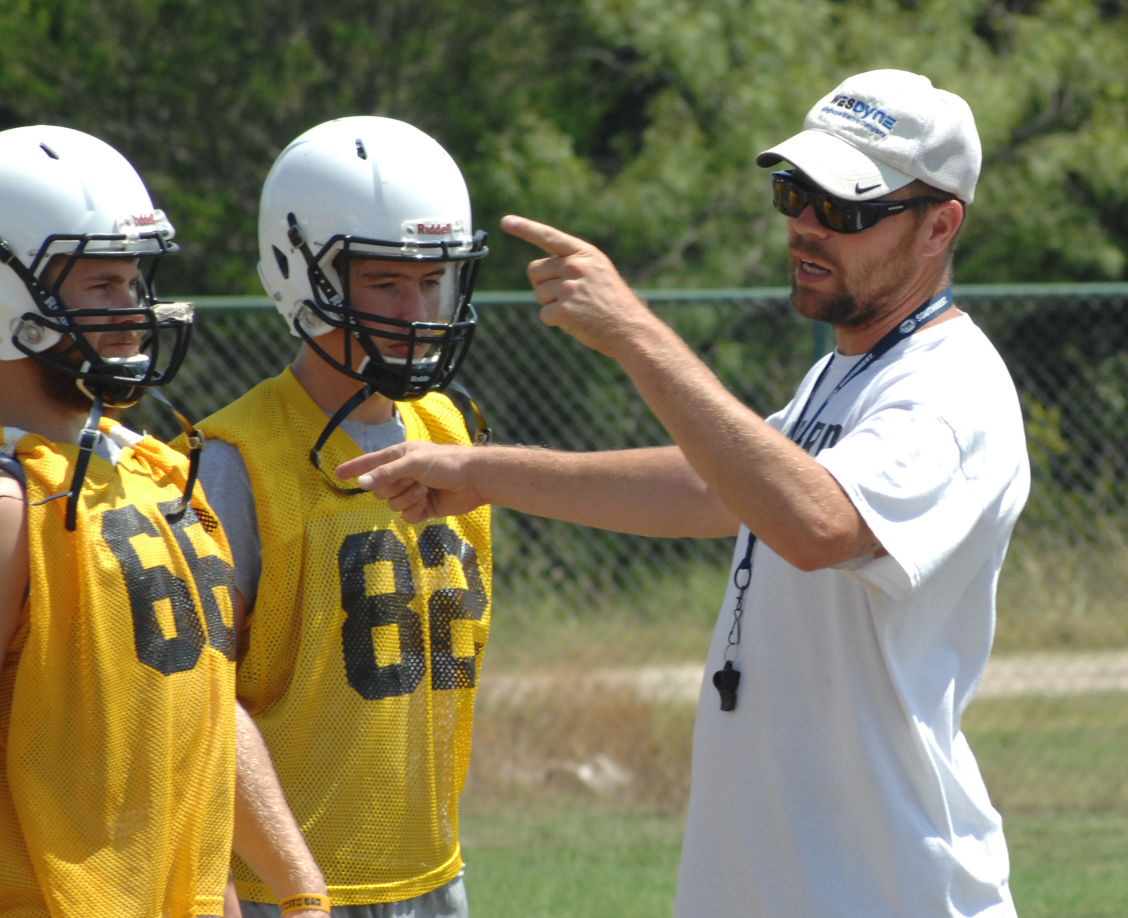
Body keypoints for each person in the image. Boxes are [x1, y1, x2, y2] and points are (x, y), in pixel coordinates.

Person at [338, 70, 1029, 917]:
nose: (807, 227)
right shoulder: (849, 369)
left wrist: (634, 333)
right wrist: (482, 474)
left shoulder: (950, 388)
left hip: (887, 890)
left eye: (845, 209)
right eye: (795, 193)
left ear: (940, 226)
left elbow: (815, 523)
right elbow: (718, 486)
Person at [0, 124, 327, 918]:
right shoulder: (13, 500)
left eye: (132, 281)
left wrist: (295, 885)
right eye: (99, 285)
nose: (133, 310)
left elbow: (202, 703)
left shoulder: (152, 468)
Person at [191, 115, 492, 918]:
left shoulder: (452, 431)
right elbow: (196, 703)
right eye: (387, 282)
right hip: (282, 887)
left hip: (432, 871)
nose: (419, 308)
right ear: (304, 276)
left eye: (432, 281)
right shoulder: (235, 458)